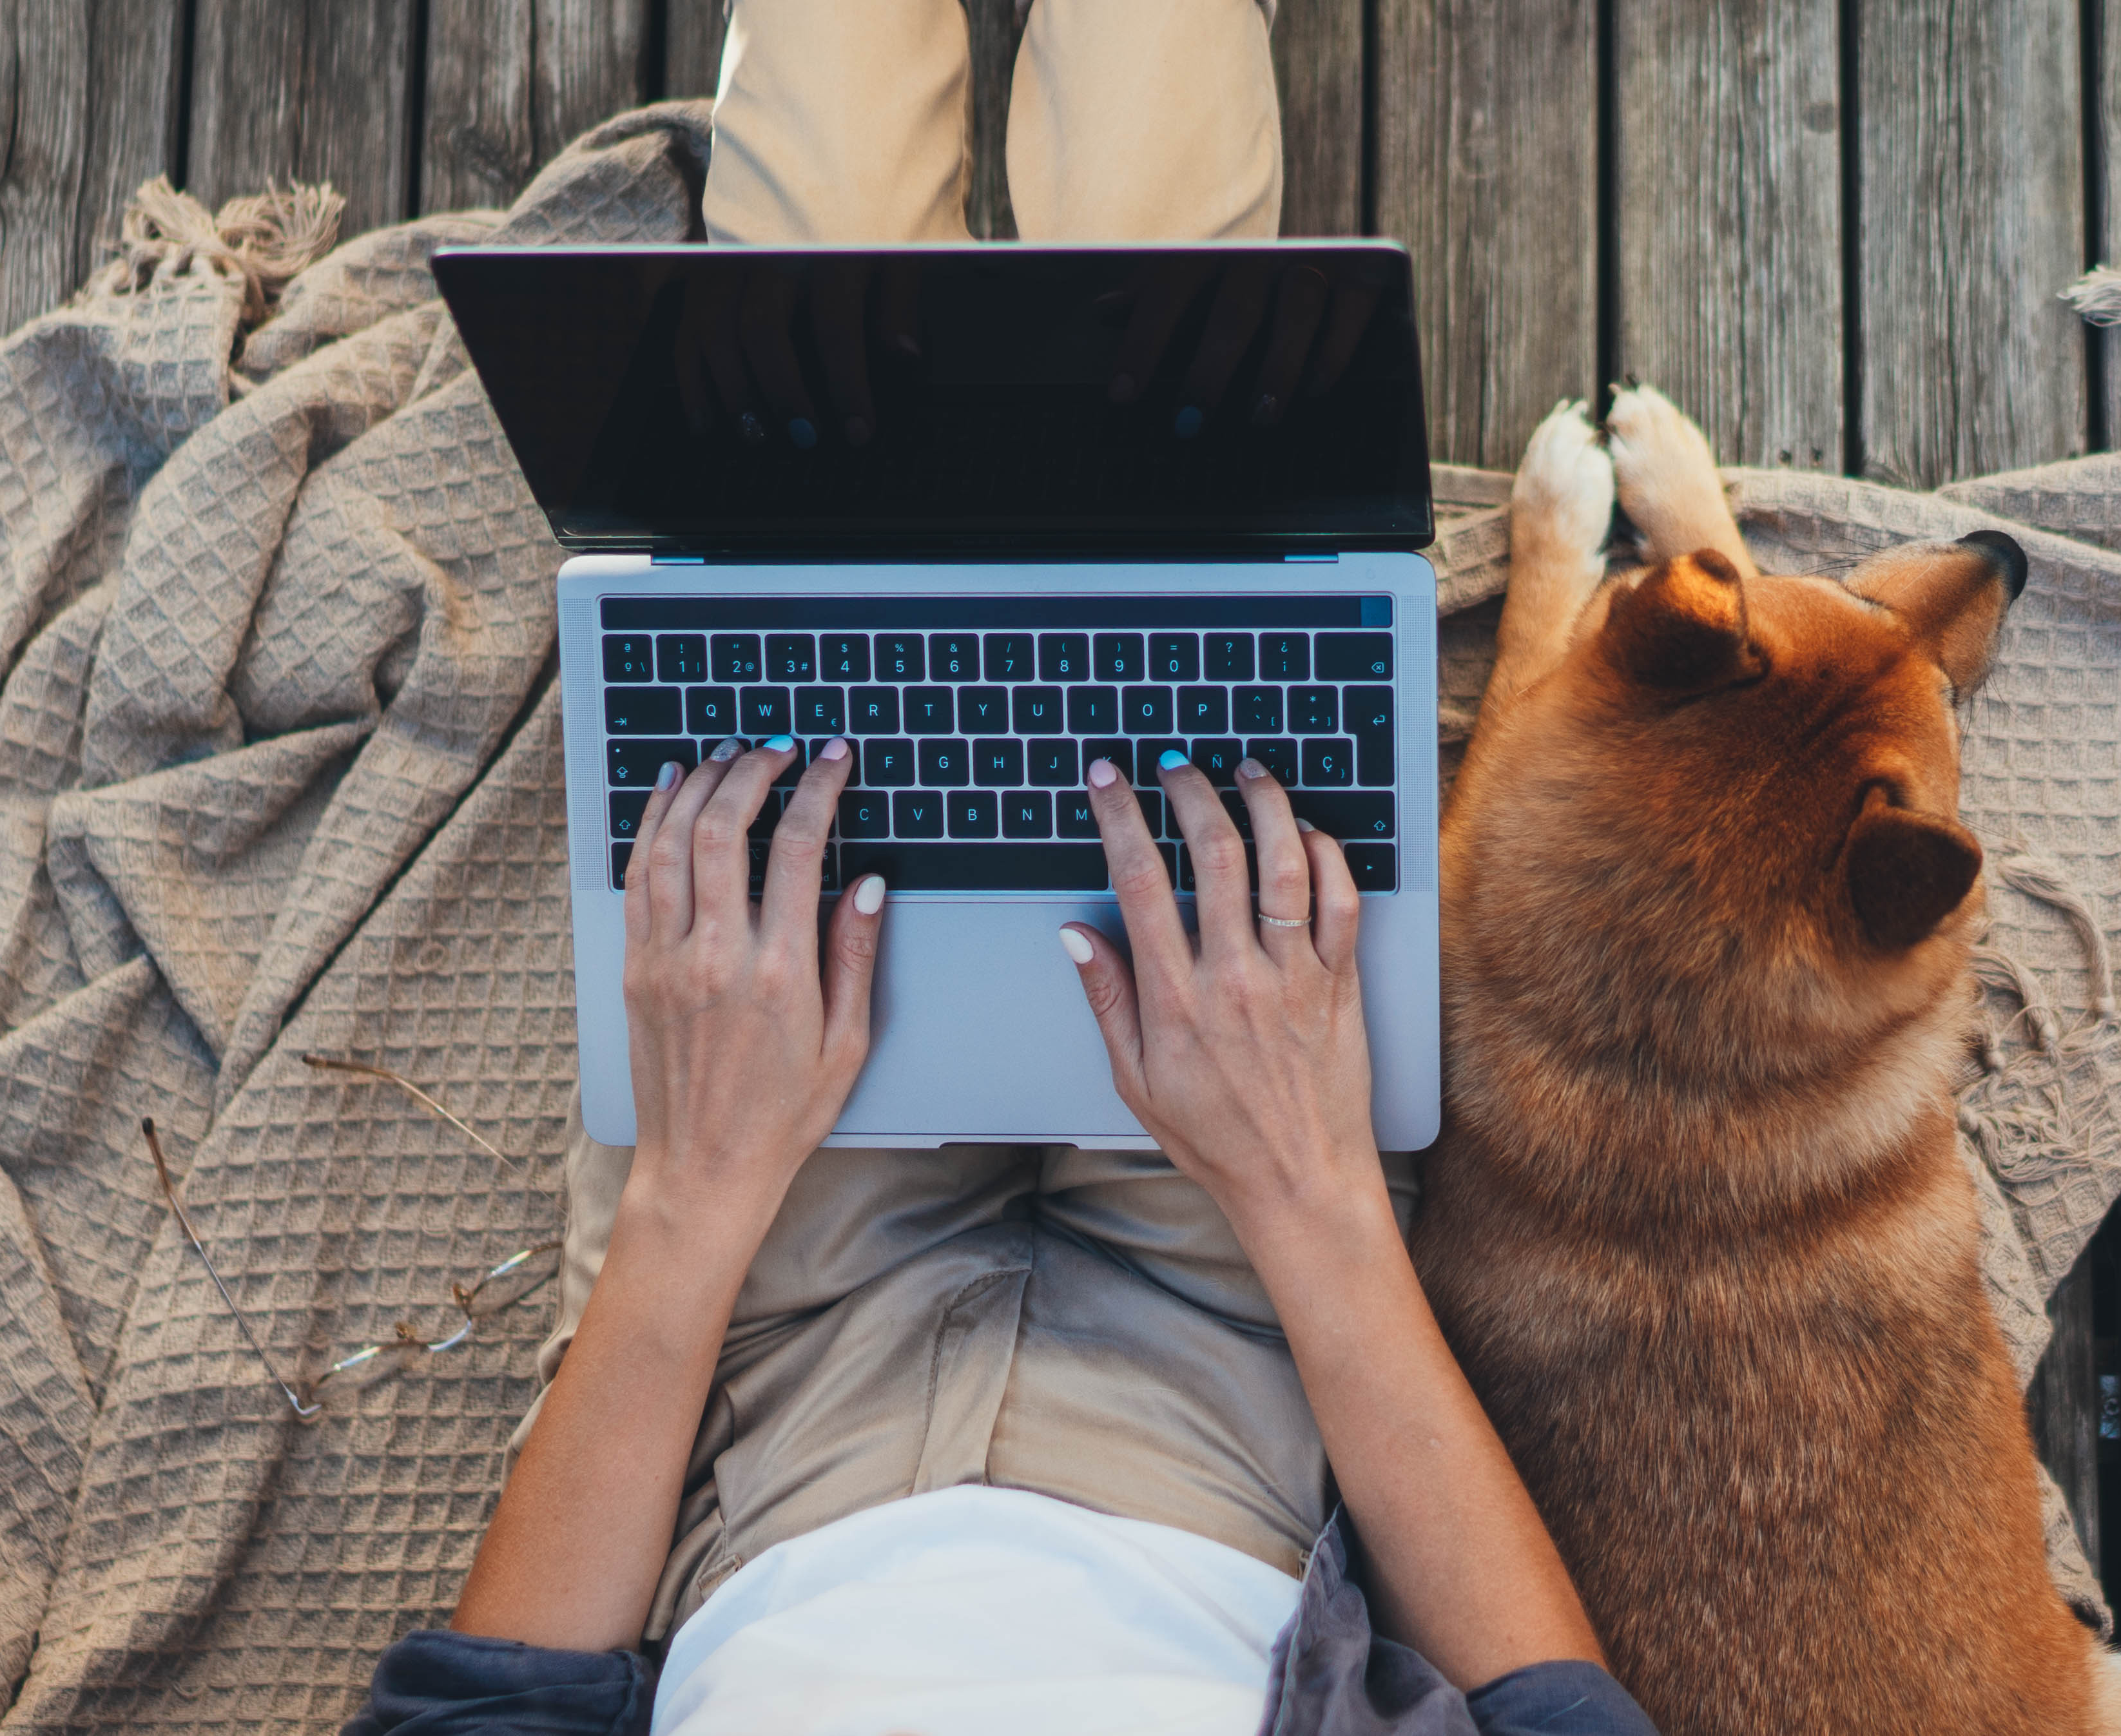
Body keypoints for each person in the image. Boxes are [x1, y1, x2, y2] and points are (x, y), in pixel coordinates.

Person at [347, 16, 1646, 1733]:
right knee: (1174, 449)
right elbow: (1557, 1711)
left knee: (803, 435)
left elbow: (486, 1708)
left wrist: (684, 1210)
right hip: (1241, 1374)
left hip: (761, 1382)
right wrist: (1316, 1197)